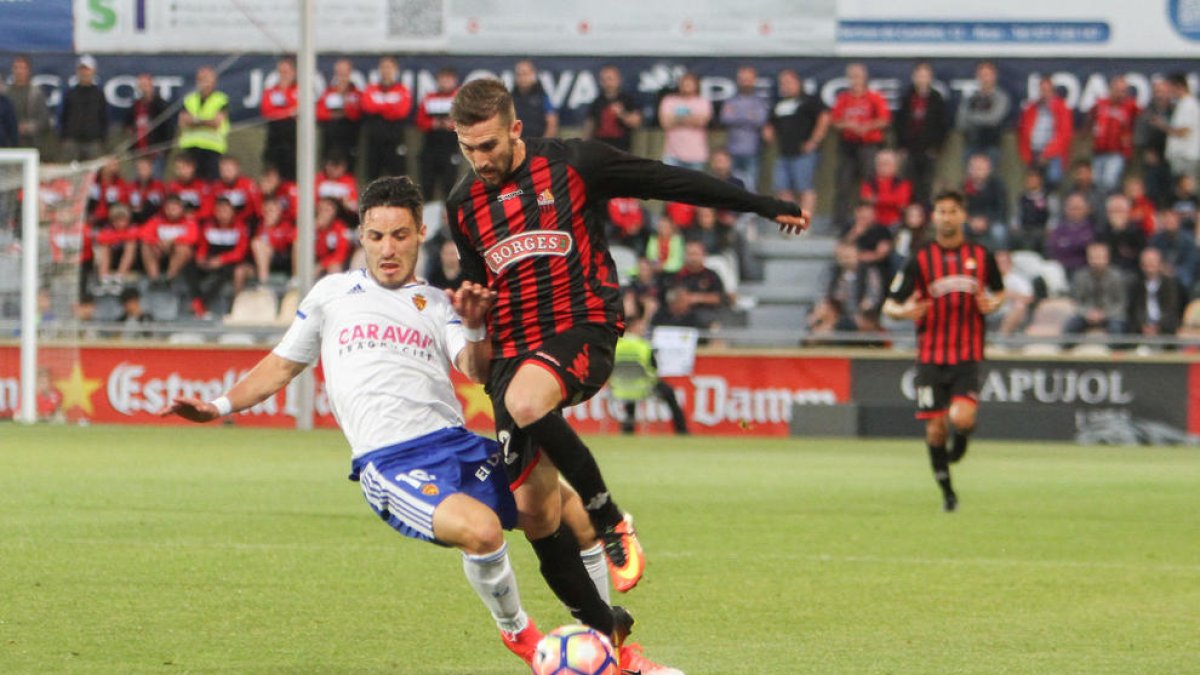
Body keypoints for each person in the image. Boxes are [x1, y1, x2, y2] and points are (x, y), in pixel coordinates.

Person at [444, 78, 806, 606]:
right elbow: (483, 287)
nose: (479, 160)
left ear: (516, 129)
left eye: (489, 146)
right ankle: (606, 636)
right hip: (515, 352)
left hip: (581, 327)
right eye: (467, 148)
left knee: (526, 402)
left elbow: (667, 180)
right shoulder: (462, 205)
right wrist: (474, 316)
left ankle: (609, 518)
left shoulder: (574, 164)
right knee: (533, 512)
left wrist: (760, 204)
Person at [158, 176, 545, 668]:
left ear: (420, 233)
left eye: (400, 235)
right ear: (361, 236)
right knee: (483, 531)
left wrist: (472, 325)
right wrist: (217, 407)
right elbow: (281, 365)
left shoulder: (437, 303)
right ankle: (519, 633)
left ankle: (609, 636)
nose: (387, 248)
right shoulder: (332, 295)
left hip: (458, 443)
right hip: (392, 459)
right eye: (376, 236)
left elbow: (475, 369)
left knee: (561, 507)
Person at [882, 190, 1005, 512]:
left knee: (961, 418)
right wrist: (904, 312)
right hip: (930, 357)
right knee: (935, 428)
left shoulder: (980, 255)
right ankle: (948, 495)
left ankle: (962, 438)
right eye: (941, 211)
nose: (946, 217)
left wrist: (993, 304)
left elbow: (999, 291)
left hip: (966, 354)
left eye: (952, 211)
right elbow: (890, 304)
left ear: (962, 215)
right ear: (933, 217)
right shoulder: (920, 258)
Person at [831, 62, 890, 228]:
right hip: (848, 144)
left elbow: (884, 120)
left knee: (870, 184)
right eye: (852, 76)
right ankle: (840, 222)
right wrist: (848, 125)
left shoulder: (874, 97)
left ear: (865, 78)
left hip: (869, 145)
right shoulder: (844, 98)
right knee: (843, 183)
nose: (855, 80)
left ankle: (872, 220)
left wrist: (867, 126)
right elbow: (835, 122)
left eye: (858, 76)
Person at [609, 314, 689, 436]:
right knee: (669, 392)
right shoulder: (643, 345)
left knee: (630, 395)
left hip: (619, 388)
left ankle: (628, 430)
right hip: (643, 387)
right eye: (640, 326)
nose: (643, 329)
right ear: (632, 328)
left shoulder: (615, 345)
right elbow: (653, 368)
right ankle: (682, 431)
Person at [763, 68, 829, 216]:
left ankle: (804, 223)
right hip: (783, 153)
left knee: (805, 188)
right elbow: (770, 122)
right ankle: (790, 222)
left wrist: (814, 141)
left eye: (788, 82)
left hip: (804, 154)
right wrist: (768, 132)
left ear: (798, 82)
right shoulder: (778, 104)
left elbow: (824, 117)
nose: (785, 86)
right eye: (782, 83)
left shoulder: (809, 100)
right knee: (782, 189)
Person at [894, 62, 949, 206]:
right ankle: (911, 216)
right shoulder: (907, 97)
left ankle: (925, 215)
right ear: (914, 77)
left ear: (930, 78)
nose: (922, 79)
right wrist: (900, 146)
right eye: (919, 75)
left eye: (925, 76)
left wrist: (937, 147)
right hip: (910, 148)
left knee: (927, 184)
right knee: (909, 183)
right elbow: (898, 123)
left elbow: (943, 125)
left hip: (928, 150)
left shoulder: (937, 99)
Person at [807, 242, 884, 339]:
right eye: (843, 257)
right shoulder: (832, 271)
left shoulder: (869, 273)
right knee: (820, 313)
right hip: (836, 312)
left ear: (857, 255)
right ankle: (821, 337)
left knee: (859, 321)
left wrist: (863, 308)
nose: (846, 260)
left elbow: (873, 297)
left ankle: (818, 338)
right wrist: (824, 305)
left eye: (849, 256)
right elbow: (822, 292)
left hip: (858, 313)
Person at [194, 197, 252, 317]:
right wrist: (201, 258)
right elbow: (202, 246)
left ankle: (234, 306)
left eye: (226, 210)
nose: (223, 214)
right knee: (190, 268)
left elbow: (240, 252)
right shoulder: (208, 226)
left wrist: (221, 260)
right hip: (212, 262)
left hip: (235, 264)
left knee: (234, 272)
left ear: (232, 212)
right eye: (220, 211)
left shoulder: (240, 227)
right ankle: (195, 302)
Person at [1017, 77, 1073, 191]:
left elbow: (1064, 134)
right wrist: (1026, 154)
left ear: (1053, 91)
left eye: (1048, 90)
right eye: (1042, 90)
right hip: (1034, 152)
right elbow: (1023, 132)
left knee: (1053, 181)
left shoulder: (1062, 108)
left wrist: (1047, 153)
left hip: (1054, 154)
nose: (1045, 93)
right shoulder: (1031, 108)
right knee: (1034, 185)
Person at [361, 57, 412, 181]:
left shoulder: (402, 90)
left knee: (398, 178)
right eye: (383, 67)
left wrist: (380, 108)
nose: (386, 71)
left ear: (395, 70)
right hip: (375, 141)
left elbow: (402, 111)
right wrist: (391, 107)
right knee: (372, 178)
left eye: (389, 67)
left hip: (395, 140)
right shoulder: (371, 89)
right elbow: (368, 106)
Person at [719, 66, 770, 191]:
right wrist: (748, 116)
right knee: (731, 186)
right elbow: (725, 118)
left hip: (752, 150)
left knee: (750, 186)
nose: (745, 82)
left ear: (754, 80)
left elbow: (760, 120)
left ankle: (749, 211)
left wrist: (737, 115)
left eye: (748, 79)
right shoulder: (731, 100)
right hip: (732, 150)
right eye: (742, 79)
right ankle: (733, 211)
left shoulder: (760, 101)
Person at [1064, 241, 1128, 339]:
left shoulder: (1117, 276)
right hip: (1087, 314)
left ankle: (1117, 352)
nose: (1097, 262)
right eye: (1093, 258)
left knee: (1117, 327)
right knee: (1071, 325)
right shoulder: (1080, 276)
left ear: (1107, 258)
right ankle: (1066, 352)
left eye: (1100, 257)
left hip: (1110, 314)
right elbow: (1076, 302)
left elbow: (1121, 303)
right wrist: (1087, 313)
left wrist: (1104, 314)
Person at [415, 67, 462, 201]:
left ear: (454, 80)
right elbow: (420, 120)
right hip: (430, 147)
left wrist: (452, 125)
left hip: (450, 148)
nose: (445, 82)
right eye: (442, 79)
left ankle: (448, 218)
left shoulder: (459, 99)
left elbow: (466, 120)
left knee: (450, 186)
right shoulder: (429, 98)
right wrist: (433, 124)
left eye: (448, 79)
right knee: (427, 185)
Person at [177, 66, 230, 181]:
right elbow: (183, 122)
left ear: (214, 82)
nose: (204, 83)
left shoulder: (221, 99)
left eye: (207, 79)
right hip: (191, 148)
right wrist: (205, 120)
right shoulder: (189, 99)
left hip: (212, 149)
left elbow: (216, 122)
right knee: (191, 183)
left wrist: (194, 120)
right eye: (201, 80)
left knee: (211, 183)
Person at [1089, 75, 1139, 194]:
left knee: (1109, 182)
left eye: (1123, 91)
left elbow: (1140, 121)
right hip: (1099, 151)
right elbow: (1090, 121)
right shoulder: (1101, 104)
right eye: (1117, 90)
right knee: (1097, 183)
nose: (1120, 94)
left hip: (1117, 152)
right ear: (1111, 89)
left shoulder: (1131, 106)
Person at [956, 61, 1011, 167]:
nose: (985, 78)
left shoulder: (1001, 97)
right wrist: (982, 117)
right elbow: (961, 122)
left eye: (988, 75)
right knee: (971, 181)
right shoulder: (970, 98)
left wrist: (972, 116)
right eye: (982, 75)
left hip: (992, 147)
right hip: (971, 146)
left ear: (994, 76)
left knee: (989, 178)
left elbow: (994, 119)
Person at [140, 193, 199, 286]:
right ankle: (154, 279)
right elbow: (144, 234)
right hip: (160, 250)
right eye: (168, 208)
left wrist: (172, 242)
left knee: (182, 248)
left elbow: (193, 238)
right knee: (146, 246)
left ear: (181, 208)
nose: (171, 211)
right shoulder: (157, 220)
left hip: (180, 254)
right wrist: (156, 242)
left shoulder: (189, 221)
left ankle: (170, 278)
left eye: (174, 209)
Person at [59, 55, 109, 162]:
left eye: (87, 69)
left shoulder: (99, 94)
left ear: (93, 71)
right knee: (69, 174)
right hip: (72, 142)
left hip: (93, 142)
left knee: (93, 174)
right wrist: (64, 137)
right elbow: (63, 116)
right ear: (77, 71)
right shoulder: (70, 93)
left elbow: (104, 118)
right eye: (81, 69)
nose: (84, 73)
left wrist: (101, 139)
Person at [1134, 78, 1175, 207]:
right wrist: (1146, 150)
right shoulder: (1147, 112)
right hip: (1154, 158)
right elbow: (1139, 136)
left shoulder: (1176, 111)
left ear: (1169, 92)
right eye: (1157, 91)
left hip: (1173, 157)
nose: (1160, 95)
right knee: (1152, 191)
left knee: (1173, 191)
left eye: (1163, 91)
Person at [658, 72, 712, 170]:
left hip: (696, 155)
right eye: (684, 83)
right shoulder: (669, 100)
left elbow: (702, 122)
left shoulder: (703, 102)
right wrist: (692, 118)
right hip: (672, 155)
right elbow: (665, 123)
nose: (686, 86)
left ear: (696, 85)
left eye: (690, 83)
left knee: (696, 185)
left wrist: (676, 119)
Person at [1128, 247, 1183, 341]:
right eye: (1147, 262)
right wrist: (1144, 326)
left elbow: (1171, 308)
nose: (1150, 264)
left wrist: (1157, 327)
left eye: (1153, 261)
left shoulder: (1170, 284)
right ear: (1142, 265)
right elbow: (1135, 309)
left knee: (1172, 324)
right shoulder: (1136, 284)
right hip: (1141, 328)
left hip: (1165, 327)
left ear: (1160, 264)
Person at [125, 72, 174, 178]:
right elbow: (128, 126)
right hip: (138, 154)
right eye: (141, 86)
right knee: (136, 184)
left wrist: (164, 149)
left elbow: (169, 128)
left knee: (155, 183)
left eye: (146, 85)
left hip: (155, 154)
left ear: (152, 86)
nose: (144, 89)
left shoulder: (160, 104)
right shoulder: (135, 106)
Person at [317, 58, 362, 168]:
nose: (341, 76)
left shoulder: (355, 93)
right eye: (339, 72)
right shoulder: (329, 92)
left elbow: (356, 114)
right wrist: (333, 115)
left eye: (344, 73)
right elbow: (319, 112)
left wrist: (345, 99)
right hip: (330, 139)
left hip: (349, 138)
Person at [584, 65, 641, 153]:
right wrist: (585, 145)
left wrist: (622, 114)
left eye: (610, 79)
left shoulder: (627, 100)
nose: (607, 83)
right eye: (604, 80)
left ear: (618, 80)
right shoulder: (597, 101)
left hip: (621, 150)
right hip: (600, 149)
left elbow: (636, 123)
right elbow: (590, 124)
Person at [260, 57, 299, 180]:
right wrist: (288, 111)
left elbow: (300, 109)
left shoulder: (299, 90)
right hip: (274, 140)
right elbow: (267, 112)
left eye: (286, 72)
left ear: (294, 72)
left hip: (293, 140)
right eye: (281, 72)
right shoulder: (270, 91)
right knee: (272, 172)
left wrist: (281, 111)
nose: (283, 75)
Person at [1045, 193, 1097, 276]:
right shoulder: (1058, 230)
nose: (1075, 211)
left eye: (1078, 208)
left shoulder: (1094, 229)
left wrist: (1068, 245)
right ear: (1066, 210)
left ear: (1087, 209)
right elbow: (1053, 249)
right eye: (1072, 208)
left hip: (1085, 270)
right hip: (1061, 269)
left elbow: (1091, 251)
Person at [860, 149, 911, 229]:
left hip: (895, 223)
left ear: (895, 166)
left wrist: (877, 198)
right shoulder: (869, 182)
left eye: (886, 164)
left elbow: (902, 203)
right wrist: (892, 199)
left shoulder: (902, 183)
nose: (883, 167)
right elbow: (866, 198)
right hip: (872, 222)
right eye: (880, 164)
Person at [8, 55, 51, 151]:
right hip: (9, 142)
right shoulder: (6, 93)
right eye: (16, 68)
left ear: (28, 71)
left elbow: (44, 120)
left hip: (32, 142)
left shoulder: (36, 93)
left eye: (22, 68)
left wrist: (28, 127)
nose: (19, 71)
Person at [250, 197, 295, 285]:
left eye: (272, 211)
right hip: (270, 258)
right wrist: (268, 229)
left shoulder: (286, 225)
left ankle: (296, 279)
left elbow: (290, 241)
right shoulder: (261, 227)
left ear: (279, 211)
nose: (269, 214)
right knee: (256, 243)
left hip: (286, 257)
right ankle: (264, 282)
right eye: (266, 211)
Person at [1165, 73, 1200, 184]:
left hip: (1186, 156)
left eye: (1170, 88)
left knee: (1187, 189)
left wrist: (1162, 125)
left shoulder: (1189, 105)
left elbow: (1184, 132)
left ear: (1179, 86)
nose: (1169, 92)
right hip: (1182, 157)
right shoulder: (1182, 104)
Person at [510, 59, 558, 139]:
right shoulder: (510, 98)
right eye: (519, 74)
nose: (522, 78)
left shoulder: (542, 96)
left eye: (525, 74)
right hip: (517, 143)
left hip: (538, 144)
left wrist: (544, 144)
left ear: (533, 75)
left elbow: (552, 122)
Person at [1102, 193, 1147, 274]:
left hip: (1132, 270)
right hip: (1108, 270)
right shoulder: (1102, 231)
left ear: (1128, 213)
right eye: (1114, 211)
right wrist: (1116, 231)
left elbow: (1141, 253)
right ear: (1108, 214)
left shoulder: (1137, 230)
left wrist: (1122, 231)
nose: (1117, 215)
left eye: (1120, 211)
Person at [213, 155, 261, 222]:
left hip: (246, 222)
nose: (226, 174)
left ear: (237, 170)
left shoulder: (248, 185)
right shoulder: (216, 187)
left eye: (230, 170)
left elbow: (258, 209)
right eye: (223, 170)